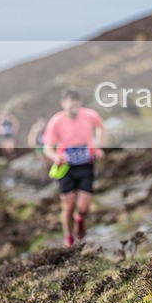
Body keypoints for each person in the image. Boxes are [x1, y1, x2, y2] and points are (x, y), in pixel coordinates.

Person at [43, 88, 105, 248]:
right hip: (66, 167)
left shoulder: (90, 115)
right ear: (63, 104)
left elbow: (100, 127)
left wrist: (98, 145)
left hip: (86, 165)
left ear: (80, 104)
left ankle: (80, 220)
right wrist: (54, 156)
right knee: (68, 206)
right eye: (70, 106)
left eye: (76, 106)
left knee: (83, 208)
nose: (73, 109)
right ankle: (69, 238)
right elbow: (47, 147)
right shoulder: (55, 121)